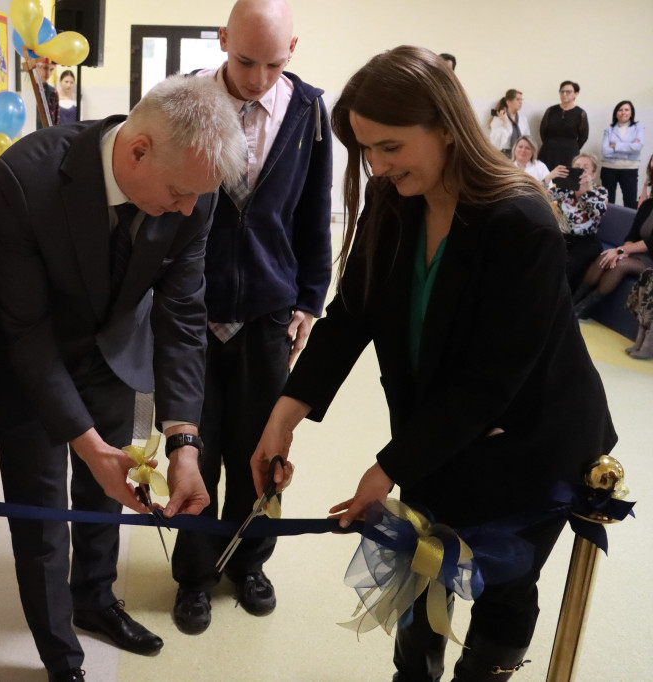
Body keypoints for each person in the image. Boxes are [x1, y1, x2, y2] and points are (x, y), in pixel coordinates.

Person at [250, 46, 616, 682]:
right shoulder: (394, 205)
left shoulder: (519, 221)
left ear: (446, 126)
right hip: (437, 432)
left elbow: (490, 383)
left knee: (502, 585)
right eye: (366, 150)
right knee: (424, 571)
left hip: (528, 445)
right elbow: (351, 317)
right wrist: (284, 414)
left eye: (390, 147)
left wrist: (385, 469)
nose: (377, 166)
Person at [0, 74, 245, 682]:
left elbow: (183, 314)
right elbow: (23, 330)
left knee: (111, 489)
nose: (187, 209)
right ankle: (61, 656)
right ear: (137, 151)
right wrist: (82, 439)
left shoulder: (195, 188)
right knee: (44, 516)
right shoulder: (27, 176)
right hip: (34, 364)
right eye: (180, 193)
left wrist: (184, 438)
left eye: (195, 199)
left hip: (116, 355)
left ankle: (95, 599)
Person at [169, 0, 332, 635]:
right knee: (196, 449)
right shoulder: (182, 101)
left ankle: (251, 561)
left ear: (294, 48)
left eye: (274, 62)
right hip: (192, 312)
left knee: (262, 451)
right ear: (221, 40)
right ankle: (194, 574)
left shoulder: (308, 111)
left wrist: (311, 300)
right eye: (244, 60)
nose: (258, 78)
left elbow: (313, 215)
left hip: (270, 312)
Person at [574, 188, 653, 318]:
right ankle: (575, 299)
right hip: (636, 251)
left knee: (621, 265)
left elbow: (649, 244)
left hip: (650, 257)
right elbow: (632, 235)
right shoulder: (647, 205)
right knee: (605, 257)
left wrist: (620, 251)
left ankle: (584, 307)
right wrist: (623, 252)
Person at [551, 152, 609, 293]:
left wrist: (586, 189)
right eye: (577, 166)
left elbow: (598, 212)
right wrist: (549, 177)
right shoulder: (564, 188)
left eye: (585, 167)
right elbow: (538, 195)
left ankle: (562, 302)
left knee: (569, 265)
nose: (580, 169)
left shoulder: (600, 191)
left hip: (587, 240)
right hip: (563, 237)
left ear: (593, 174)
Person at [600, 100, 645, 208]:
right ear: (616, 113)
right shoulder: (609, 130)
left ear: (631, 113)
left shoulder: (638, 128)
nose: (623, 112)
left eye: (626, 110)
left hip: (630, 168)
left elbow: (637, 147)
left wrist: (615, 146)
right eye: (620, 110)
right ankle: (608, 224)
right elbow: (605, 151)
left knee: (630, 202)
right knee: (608, 202)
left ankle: (630, 225)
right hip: (609, 168)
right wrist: (628, 147)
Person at [538, 80, 588, 169]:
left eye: (568, 92)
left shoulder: (580, 113)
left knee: (566, 179)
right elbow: (543, 131)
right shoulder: (551, 110)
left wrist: (572, 147)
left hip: (569, 153)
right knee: (546, 178)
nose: (564, 94)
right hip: (549, 151)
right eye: (562, 91)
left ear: (576, 94)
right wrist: (551, 144)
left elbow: (583, 136)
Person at [489, 89, 530, 157]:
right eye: (517, 99)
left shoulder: (523, 120)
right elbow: (496, 142)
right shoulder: (499, 118)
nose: (520, 102)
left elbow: (527, 139)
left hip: (519, 155)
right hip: (503, 155)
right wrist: (504, 122)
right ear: (508, 102)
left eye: (521, 99)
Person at [35, 58, 60, 129]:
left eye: (51, 70)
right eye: (45, 68)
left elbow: (55, 122)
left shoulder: (53, 92)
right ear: (37, 66)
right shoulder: (29, 90)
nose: (48, 74)